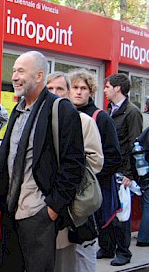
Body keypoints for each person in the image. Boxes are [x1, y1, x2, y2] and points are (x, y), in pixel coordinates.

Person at [0, 51, 85, 272]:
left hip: (38, 214)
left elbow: (74, 165)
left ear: (39, 75)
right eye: (14, 71)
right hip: (11, 211)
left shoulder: (61, 109)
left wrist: (52, 208)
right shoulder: (18, 108)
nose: (14, 76)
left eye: (21, 71)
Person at [47, 71, 104, 272]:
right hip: (41, 206)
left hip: (71, 205)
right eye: (50, 88)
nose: (55, 93)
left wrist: (67, 171)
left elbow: (97, 162)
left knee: (69, 260)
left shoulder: (83, 121)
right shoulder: (39, 120)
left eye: (60, 88)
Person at [67, 69, 123, 268]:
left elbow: (114, 156)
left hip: (89, 192)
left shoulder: (101, 118)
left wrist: (91, 180)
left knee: (85, 245)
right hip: (67, 192)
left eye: (84, 88)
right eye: (75, 87)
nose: (79, 92)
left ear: (91, 92)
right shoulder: (65, 114)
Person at [102, 73, 143, 266]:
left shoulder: (132, 112)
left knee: (122, 215)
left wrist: (129, 174)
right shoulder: (110, 110)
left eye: (107, 86)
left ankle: (123, 253)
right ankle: (107, 248)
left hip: (123, 174)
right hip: (109, 170)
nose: (105, 90)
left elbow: (135, 144)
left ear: (117, 88)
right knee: (108, 211)